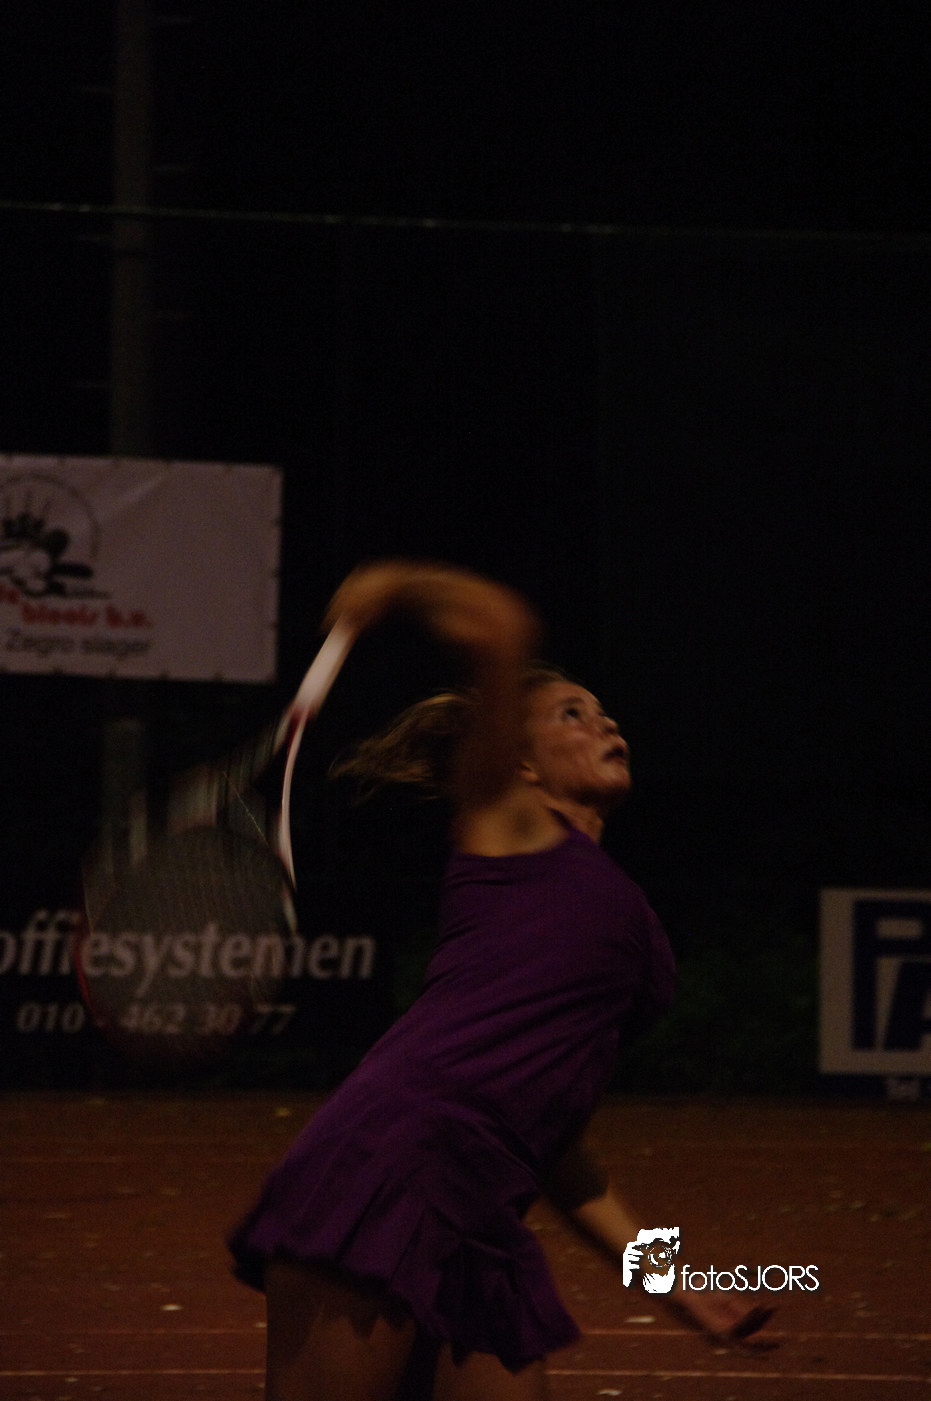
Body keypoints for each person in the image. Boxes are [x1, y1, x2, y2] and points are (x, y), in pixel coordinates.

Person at [228, 559, 718, 1400]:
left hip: (485, 1223)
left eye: (602, 711)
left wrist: (680, 1289)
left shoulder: (629, 920)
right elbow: (499, 625)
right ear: (518, 763)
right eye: (571, 713)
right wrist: (396, 584)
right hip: (393, 1167)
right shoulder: (504, 825)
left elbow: (558, 1151)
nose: (604, 721)